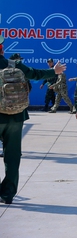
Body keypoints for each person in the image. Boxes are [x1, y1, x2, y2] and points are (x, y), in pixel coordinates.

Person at [0, 35, 65, 204]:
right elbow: (35, 74)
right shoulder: (13, 65)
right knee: (12, 156)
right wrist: (54, 71)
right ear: (2, 48)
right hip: (15, 117)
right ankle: (7, 194)